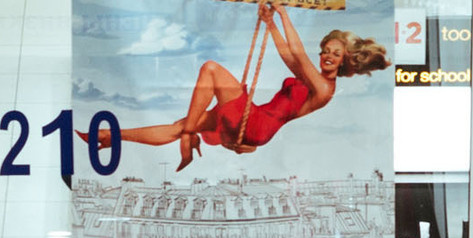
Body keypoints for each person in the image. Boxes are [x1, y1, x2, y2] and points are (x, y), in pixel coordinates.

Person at [108, 1, 390, 167]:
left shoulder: (325, 89)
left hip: (257, 123)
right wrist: (270, 23)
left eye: (335, 53)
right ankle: (107, 138)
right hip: (253, 118)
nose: (327, 56)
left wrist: (283, 13)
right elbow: (288, 55)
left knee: (211, 70)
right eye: (326, 50)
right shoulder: (311, 79)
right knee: (178, 125)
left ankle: (188, 135)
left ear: (344, 62)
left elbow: (299, 55)